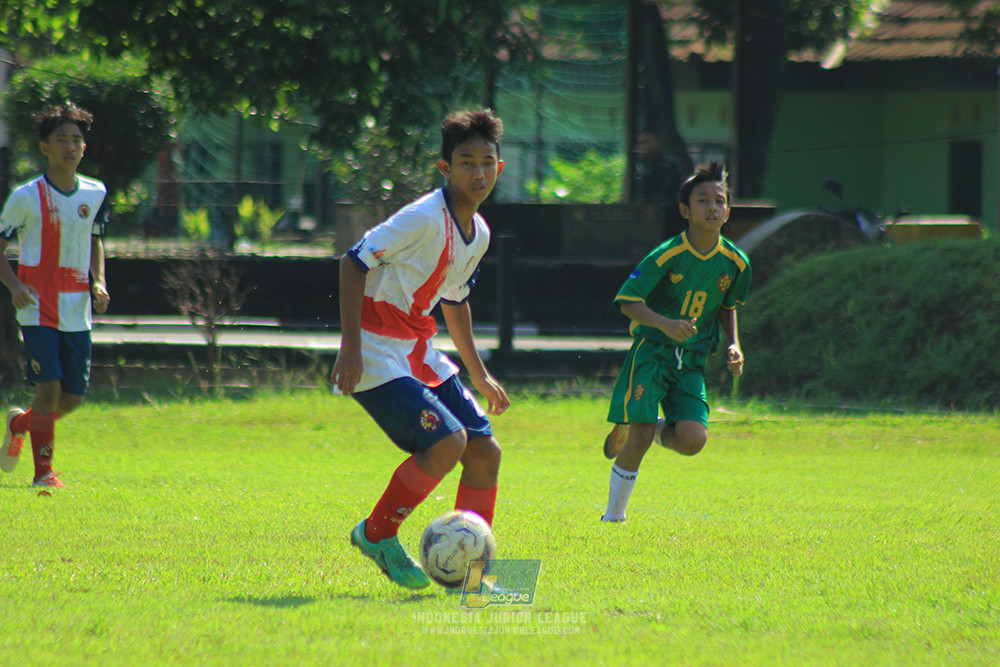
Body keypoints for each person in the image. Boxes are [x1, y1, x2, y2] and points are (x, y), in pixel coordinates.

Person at [331, 108, 510, 589]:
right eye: (466, 161)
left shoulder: (480, 232)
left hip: (417, 350)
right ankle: (377, 535)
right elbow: (352, 264)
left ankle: (473, 572)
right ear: (445, 168)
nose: (478, 172)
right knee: (447, 443)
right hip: (374, 351)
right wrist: (350, 350)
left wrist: (477, 371)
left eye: (486, 162)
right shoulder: (423, 218)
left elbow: (455, 300)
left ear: (500, 167)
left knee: (484, 452)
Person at [601, 161, 750, 522]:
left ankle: (654, 428)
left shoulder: (736, 262)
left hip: (692, 361)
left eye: (719, 200)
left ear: (728, 211)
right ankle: (613, 518)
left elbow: (727, 306)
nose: (711, 207)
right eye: (702, 200)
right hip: (652, 353)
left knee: (693, 440)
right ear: (685, 210)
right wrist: (664, 324)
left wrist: (734, 344)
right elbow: (627, 302)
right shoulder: (667, 254)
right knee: (636, 441)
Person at [0, 102, 111, 490]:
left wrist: (99, 282)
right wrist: (15, 287)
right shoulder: (26, 197)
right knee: (48, 388)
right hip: (36, 308)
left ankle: (19, 424)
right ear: (44, 147)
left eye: (76, 140)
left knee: (72, 399)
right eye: (61, 139)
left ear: (84, 148)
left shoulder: (96, 193)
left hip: (77, 309)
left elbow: (96, 239)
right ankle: (43, 474)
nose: (70, 146)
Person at [633, 130, 685, 237]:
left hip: (666, 213)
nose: (642, 147)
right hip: (641, 214)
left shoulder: (668, 164)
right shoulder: (635, 165)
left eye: (646, 142)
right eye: (640, 143)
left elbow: (675, 188)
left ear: (656, 142)